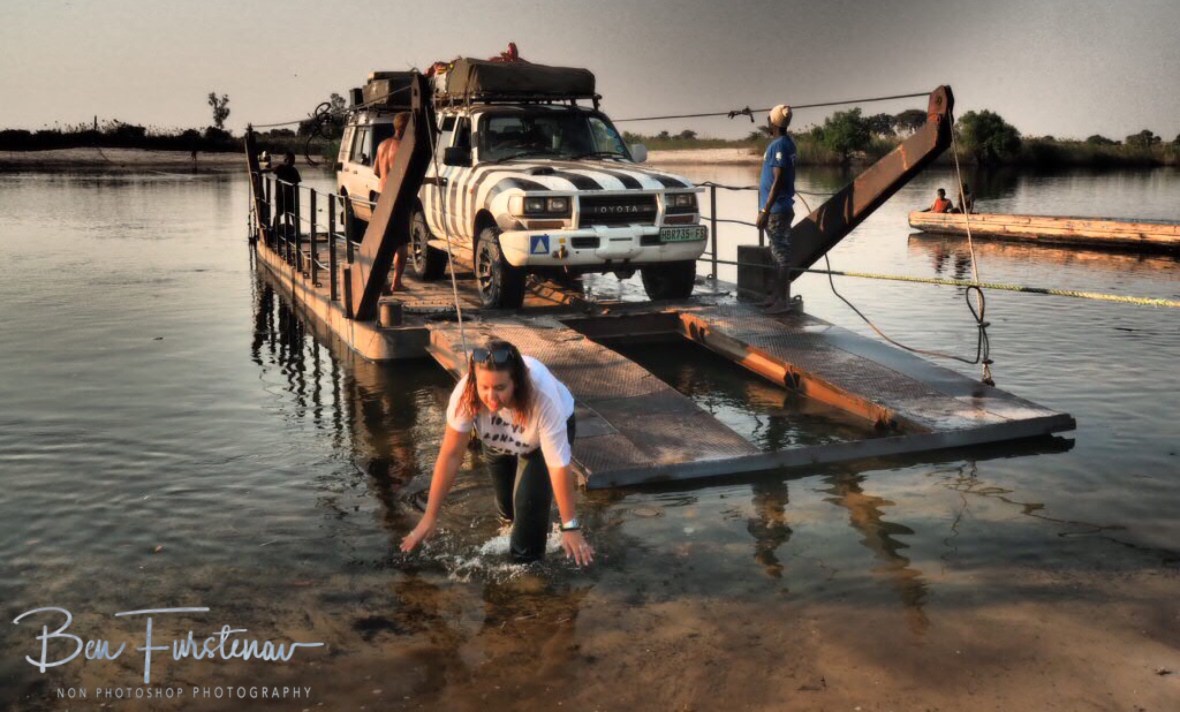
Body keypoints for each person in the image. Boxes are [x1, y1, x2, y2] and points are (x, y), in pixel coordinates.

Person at [401, 339, 594, 566]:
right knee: (508, 516)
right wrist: (430, 517)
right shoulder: (465, 395)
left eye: (500, 388)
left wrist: (570, 526)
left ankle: (527, 577)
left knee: (527, 520)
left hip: (537, 446)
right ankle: (510, 529)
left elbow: (558, 465)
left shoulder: (543, 398)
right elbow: (451, 455)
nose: (491, 398)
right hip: (497, 440)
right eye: (484, 387)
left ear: (516, 383)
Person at [755, 104, 798, 315]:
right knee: (776, 253)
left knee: (780, 255)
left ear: (772, 122)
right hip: (780, 208)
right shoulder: (788, 142)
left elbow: (778, 180)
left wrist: (765, 211)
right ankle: (775, 297)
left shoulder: (778, 146)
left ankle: (782, 301)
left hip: (777, 210)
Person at [374, 113, 412, 291]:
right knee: (401, 244)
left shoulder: (382, 145)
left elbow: (376, 171)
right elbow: (407, 177)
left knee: (381, 240)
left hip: (380, 196)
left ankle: (381, 280)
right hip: (396, 199)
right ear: (404, 127)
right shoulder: (403, 148)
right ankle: (396, 282)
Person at [270, 151, 302, 233]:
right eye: (291, 159)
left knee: (293, 214)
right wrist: (260, 171)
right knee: (278, 213)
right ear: (285, 160)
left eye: (294, 160)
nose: (293, 161)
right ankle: (274, 230)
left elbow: (297, 182)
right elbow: (271, 170)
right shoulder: (280, 167)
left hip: (290, 196)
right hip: (280, 196)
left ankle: (296, 232)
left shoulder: (294, 170)